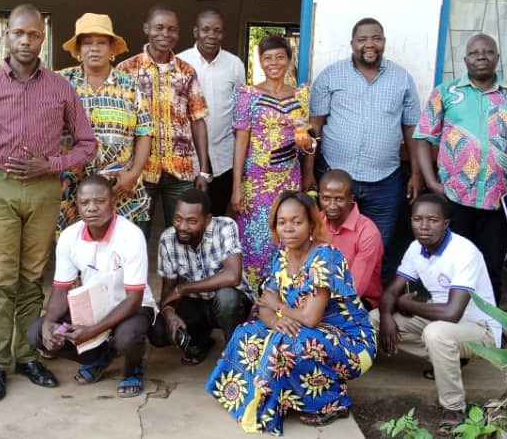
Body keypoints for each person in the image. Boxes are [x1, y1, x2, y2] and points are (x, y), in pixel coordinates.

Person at [0, 4, 97, 402]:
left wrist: (50, 164)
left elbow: (87, 144)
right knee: (2, 280)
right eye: (19, 33)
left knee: (33, 277)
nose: (25, 41)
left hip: (44, 190)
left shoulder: (60, 87)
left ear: (42, 39)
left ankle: (27, 355)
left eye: (33, 35)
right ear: (7, 36)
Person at [206, 191, 375, 434]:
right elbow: (265, 304)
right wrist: (276, 320)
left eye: (297, 222)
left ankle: (332, 402)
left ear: (311, 225)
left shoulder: (324, 256)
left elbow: (310, 317)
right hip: (309, 328)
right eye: (282, 222)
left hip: (352, 342)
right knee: (247, 332)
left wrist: (280, 308)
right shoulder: (282, 257)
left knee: (288, 343)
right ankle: (267, 394)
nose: (289, 228)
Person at [415, 34, 507, 299]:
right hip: (453, 198)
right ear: (465, 59)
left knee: (490, 268)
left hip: (498, 201)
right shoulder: (446, 93)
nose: (481, 56)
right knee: (449, 266)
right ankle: (447, 326)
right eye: (474, 53)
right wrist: (431, 183)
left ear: (497, 57)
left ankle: (488, 330)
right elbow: (423, 137)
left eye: (488, 52)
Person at [374, 194, 502, 435]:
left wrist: (408, 306)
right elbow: (392, 291)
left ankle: (454, 407)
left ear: (446, 223)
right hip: (441, 321)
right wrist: (387, 316)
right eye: (417, 219)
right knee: (374, 319)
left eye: (432, 220)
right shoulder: (415, 248)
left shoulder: (464, 251)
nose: (424, 226)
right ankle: (447, 359)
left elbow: (453, 313)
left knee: (436, 334)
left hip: (479, 329)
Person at [310, 17, 422, 282]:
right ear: (352, 44)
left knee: (377, 250)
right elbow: (314, 129)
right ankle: (328, 303)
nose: (369, 45)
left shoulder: (402, 78)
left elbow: (411, 130)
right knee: (327, 246)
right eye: (362, 39)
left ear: (383, 42)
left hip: (384, 181)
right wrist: (309, 174)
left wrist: (416, 173)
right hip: (335, 179)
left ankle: (369, 310)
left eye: (376, 38)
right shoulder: (330, 75)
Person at [26, 175, 158, 398]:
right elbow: (60, 288)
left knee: (127, 337)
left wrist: (91, 332)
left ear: (113, 201)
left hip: (130, 308)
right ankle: (98, 357)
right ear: (77, 205)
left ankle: (132, 369)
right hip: (92, 309)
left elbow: (134, 299)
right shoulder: (70, 236)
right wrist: (50, 322)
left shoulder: (131, 235)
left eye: (99, 201)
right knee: (38, 334)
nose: (92, 208)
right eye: (85, 203)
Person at [117, 4, 212, 238]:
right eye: (159, 28)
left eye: (172, 29)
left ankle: (177, 277)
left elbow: (198, 121)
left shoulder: (187, 71)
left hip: (180, 171)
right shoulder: (126, 70)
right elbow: (119, 125)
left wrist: (205, 171)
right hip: (139, 171)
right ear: (146, 28)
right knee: (135, 236)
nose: (166, 34)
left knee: (183, 235)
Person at [56, 13, 153, 231]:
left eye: (101, 43)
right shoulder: (61, 82)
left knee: (117, 255)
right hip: (72, 188)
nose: (94, 48)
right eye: (87, 43)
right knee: (77, 254)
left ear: (111, 49)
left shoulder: (130, 86)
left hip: (119, 187)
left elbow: (144, 133)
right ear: (78, 50)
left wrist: (133, 175)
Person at [230, 35, 312, 291]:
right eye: (267, 58)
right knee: (256, 239)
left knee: (286, 234)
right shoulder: (249, 95)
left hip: (289, 177)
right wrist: (237, 187)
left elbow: (308, 140)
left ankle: (283, 294)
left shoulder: (301, 95)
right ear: (260, 63)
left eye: (279, 57)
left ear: (288, 60)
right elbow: (241, 143)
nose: (274, 63)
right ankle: (254, 300)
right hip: (255, 181)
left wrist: (308, 148)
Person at [149, 188, 253, 366]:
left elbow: (232, 276)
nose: (182, 226)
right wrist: (168, 313)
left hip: (230, 304)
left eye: (191, 221)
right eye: (178, 219)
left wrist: (183, 288)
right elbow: (168, 290)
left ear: (207, 220)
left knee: (227, 299)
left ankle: (235, 356)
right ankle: (200, 341)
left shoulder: (225, 227)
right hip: (196, 305)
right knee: (158, 332)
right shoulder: (168, 239)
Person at [178, 9, 246, 217]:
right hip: (186, 157)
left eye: (217, 31)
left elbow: (240, 110)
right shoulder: (180, 62)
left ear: (223, 34)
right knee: (188, 218)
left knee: (215, 217)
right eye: (206, 30)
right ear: (195, 31)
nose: (211, 35)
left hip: (223, 156)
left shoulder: (234, 65)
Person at [319, 170, 383, 310]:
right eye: (326, 198)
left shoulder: (367, 232)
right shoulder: (316, 222)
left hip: (357, 300)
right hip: (316, 297)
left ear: (351, 199)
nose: (332, 205)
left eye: (339, 199)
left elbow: (354, 289)